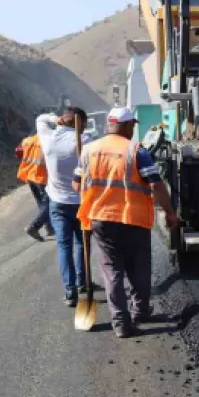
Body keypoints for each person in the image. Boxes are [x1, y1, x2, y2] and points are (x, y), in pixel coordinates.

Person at [75, 107, 179, 338]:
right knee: (138, 268)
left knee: (112, 271)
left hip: (102, 219)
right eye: (132, 125)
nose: (133, 129)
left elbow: (76, 184)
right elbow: (156, 184)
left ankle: (121, 323)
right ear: (124, 125)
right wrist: (170, 213)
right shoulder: (135, 150)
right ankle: (140, 312)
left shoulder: (89, 150)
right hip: (133, 219)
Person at [37, 105, 94, 306]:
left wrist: (54, 119)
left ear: (63, 119)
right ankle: (82, 282)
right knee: (82, 244)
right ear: (83, 124)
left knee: (64, 245)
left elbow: (40, 120)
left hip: (58, 202)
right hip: (81, 202)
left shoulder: (48, 139)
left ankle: (70, 291)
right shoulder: (86, 141)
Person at [15, 133, 54, 241]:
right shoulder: (48, 141)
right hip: (41, 176)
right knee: (51, 203)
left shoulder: (27, 140)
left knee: (42, 203)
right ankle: (34, 227)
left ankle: (49, 228)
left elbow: (18, 153)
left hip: (29, 175)